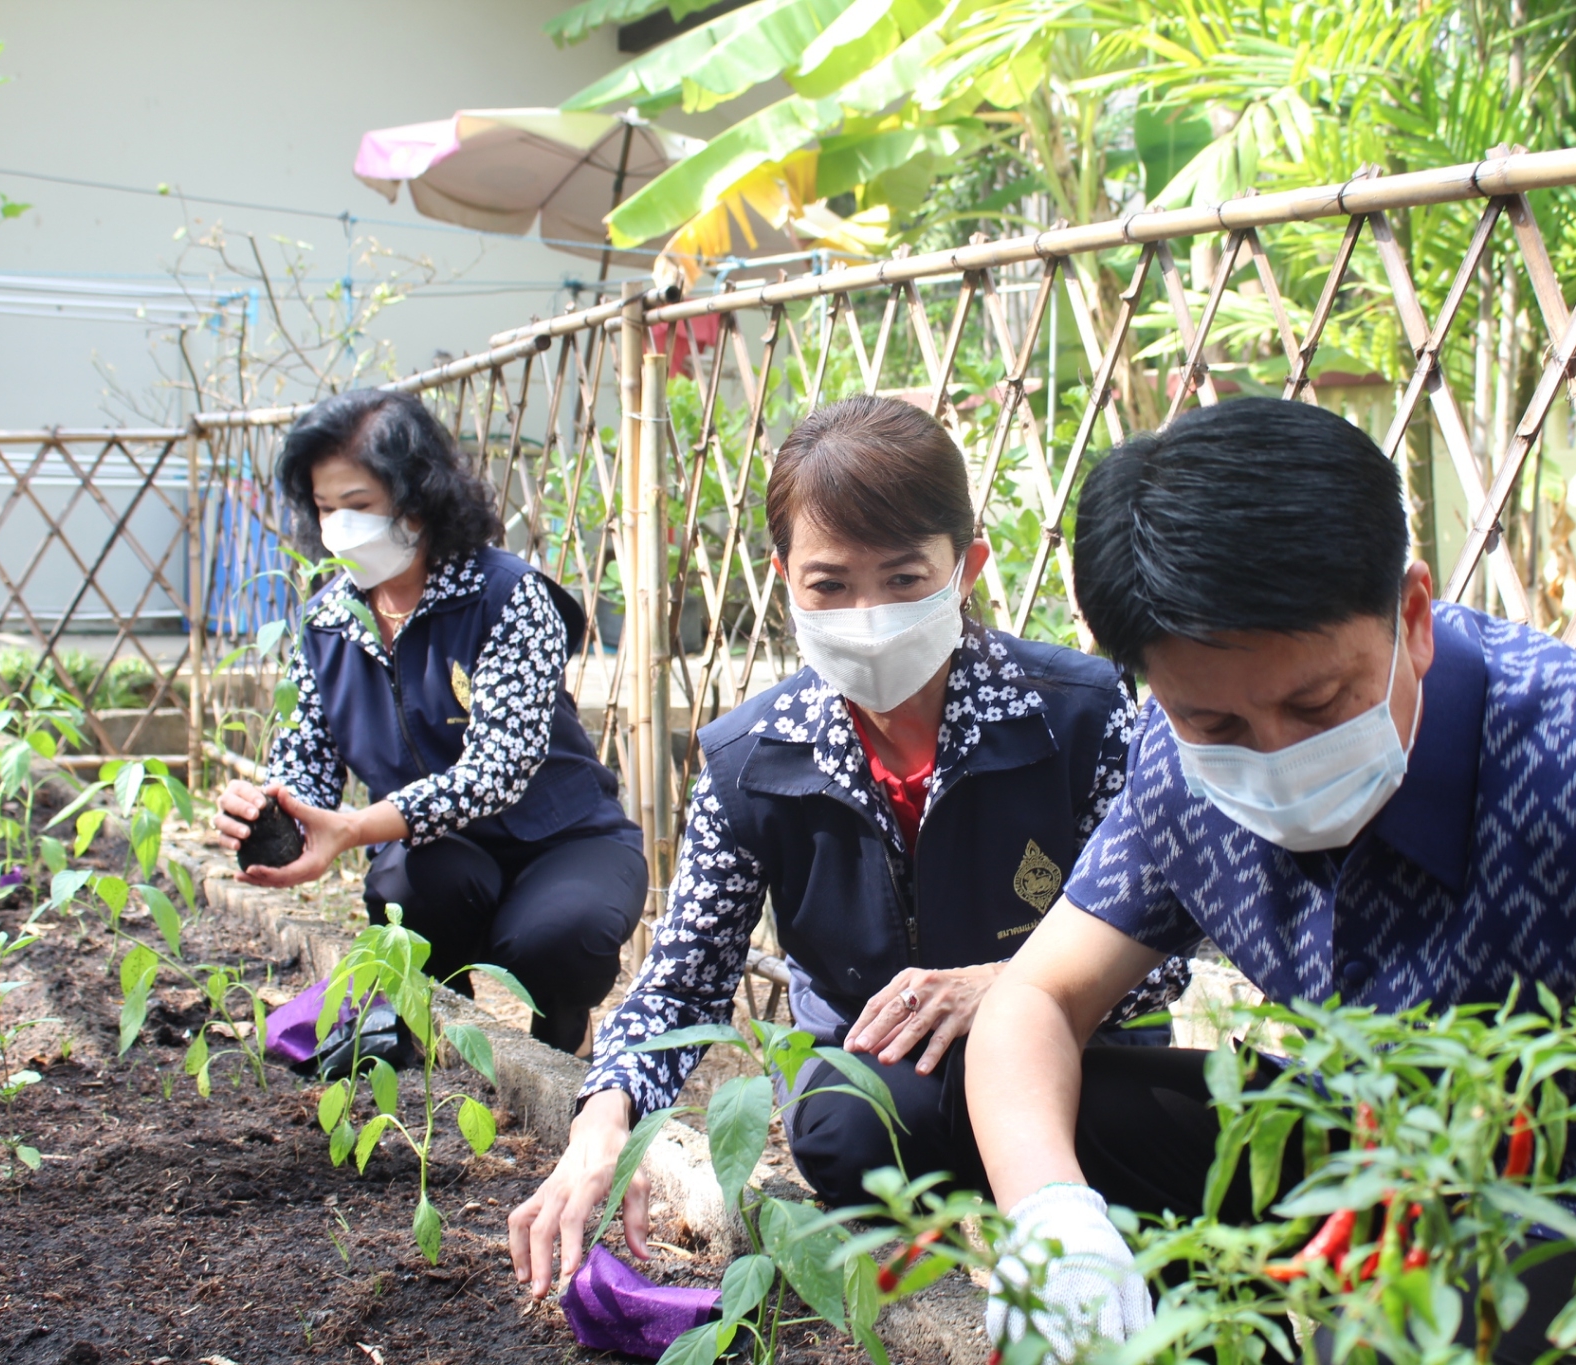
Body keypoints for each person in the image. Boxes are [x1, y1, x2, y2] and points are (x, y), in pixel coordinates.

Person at [963, 397, 1576, 1361]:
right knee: (1014, 1112)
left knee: (1416, 1323)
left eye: (1317, 702)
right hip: (1373, 1152)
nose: (1274, 753)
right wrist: (1055, 1222)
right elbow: (1039, 999)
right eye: (1217, 724)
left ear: (1415, 618)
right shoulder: (1179, 763)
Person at [506, 394, 1189, 1298]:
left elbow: (1164, 955)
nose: (868, 613)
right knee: (842, 1119)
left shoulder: (1077, 711)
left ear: (966, 568)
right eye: (831, 584)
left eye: (904, 579)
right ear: (785, 577)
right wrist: (604, 1119)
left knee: (1164, 1139)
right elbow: (683, 978)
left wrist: (1011, 986)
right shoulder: (754, 758)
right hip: (889, 1095)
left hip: (1083, 1060)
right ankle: (970, 1257)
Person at [212, 389, 646, 1054]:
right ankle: (436, 1040)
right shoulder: (330, 621)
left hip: (563, 841)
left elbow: (496, 771)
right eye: (325, 509)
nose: (338, 528)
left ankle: (563, 1050)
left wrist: (355, 826)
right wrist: (272, 811)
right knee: (402, 887)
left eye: (357, 506)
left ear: (417, 499)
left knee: (556, 937)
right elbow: (309, 753)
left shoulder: (504, 595)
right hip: (446, 857)